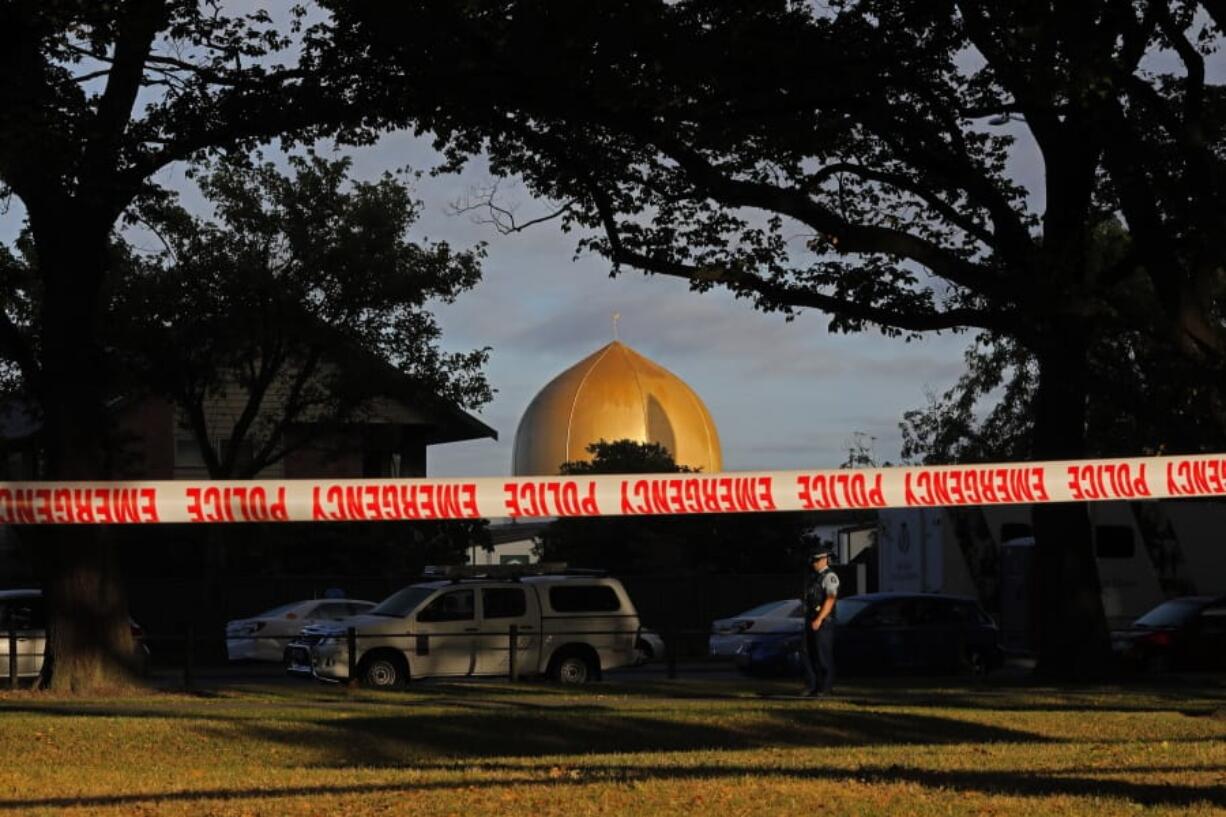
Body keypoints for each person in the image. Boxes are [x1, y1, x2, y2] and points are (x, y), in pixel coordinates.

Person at [802, 546, 839, 697]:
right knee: (807, 652)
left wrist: (819, 619)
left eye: (817, 560)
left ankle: (825, 687)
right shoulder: (813, 577)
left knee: (822, 654)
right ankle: (812, 685)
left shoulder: (830, 577)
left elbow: (830, 599)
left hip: (823, 621)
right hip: (811, 619)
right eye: (813, 560)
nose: (814, 563)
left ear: (824, 559)